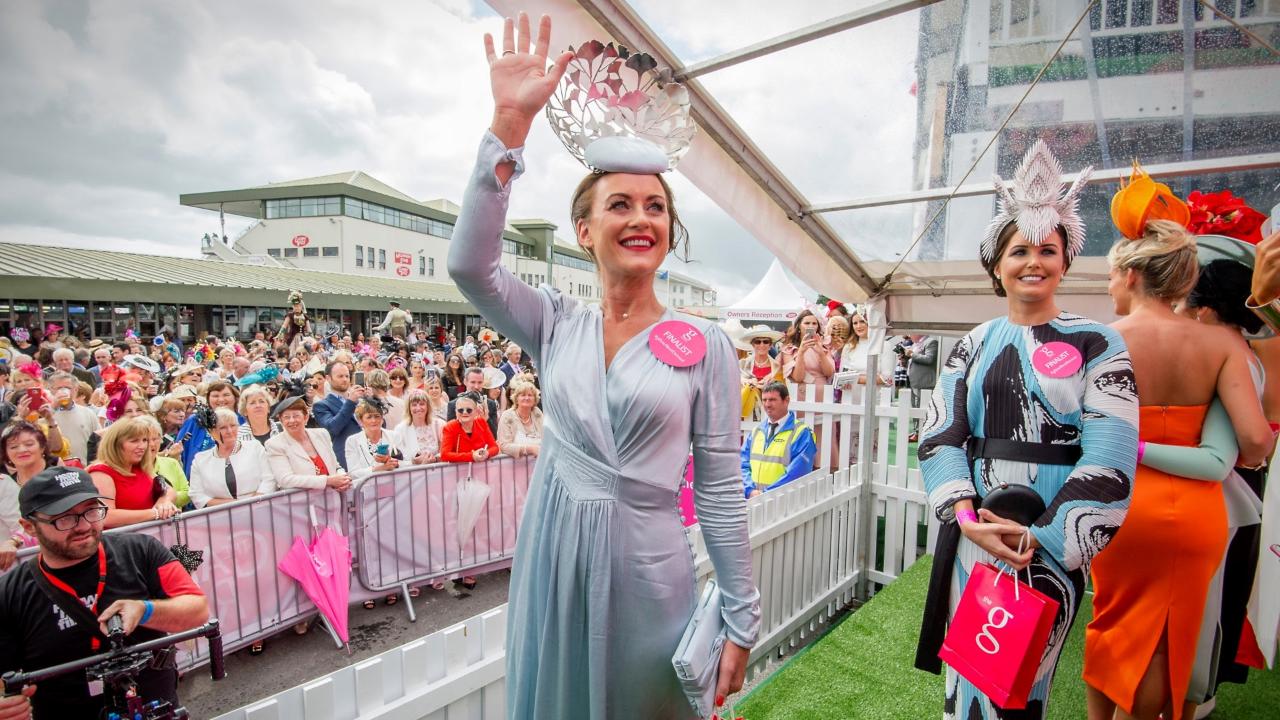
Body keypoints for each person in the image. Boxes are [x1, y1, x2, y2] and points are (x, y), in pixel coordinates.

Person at [448, 15, 758, 717]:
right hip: (551, 563)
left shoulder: (705, 344)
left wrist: (742, 615)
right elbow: (470, 266)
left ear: (668, 234)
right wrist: (508, 127)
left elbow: (718, 491)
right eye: (619, 203)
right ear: (586, 231)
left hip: (649, 576)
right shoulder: (555, 322)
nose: (639, 216)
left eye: (654, 206)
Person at [916, 140, 1139, 720]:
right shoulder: (972, 342)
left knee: (1021, 683)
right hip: (977, 531)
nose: (1033, 261)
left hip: (1048, 540)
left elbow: (1111, 454)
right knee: (968, 672)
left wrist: (1040, 538)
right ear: (996, 264)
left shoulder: (1099, 342)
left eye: (1048, 248)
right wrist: (968, 521)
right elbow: (940, 436)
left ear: (1066, 260)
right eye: (1019, 250)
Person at [1085, 221, 1274, 720]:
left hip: (1115, 505)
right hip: (1196, 513)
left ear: (1129, 274)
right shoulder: (1223, 346)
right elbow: (1254, 441)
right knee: (1167, 641)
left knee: (1111, 622)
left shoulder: (1101, 340)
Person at [0, 467, 208, 719]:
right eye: (64, 518)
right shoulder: (10, 592)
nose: (84, 526)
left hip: (154, 708)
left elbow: (197, 609)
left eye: (91, 511)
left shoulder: (141, 551)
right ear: (29, 526)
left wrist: (145, 610)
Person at [87, 416, 180, 529]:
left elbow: (168, 489)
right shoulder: (101, 473)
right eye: (134, 441)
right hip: (123, 543)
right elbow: (105, 516)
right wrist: (154, 513)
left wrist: (164, 503)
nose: (142, 446)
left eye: (144, 440)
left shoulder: (139, 467)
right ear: (116, 444)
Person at [740, 382, 817, 498]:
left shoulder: (802, 433)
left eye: (772, 400)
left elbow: (796, 473)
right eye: (764, 400)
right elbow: (741, 464)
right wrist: (750, 490)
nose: (767, 404)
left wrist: (765, 495)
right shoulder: (757, 431)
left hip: (784, 503)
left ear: (786, 400)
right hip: (754, 502)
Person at [188, 408, 275, 509]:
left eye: (233, 425)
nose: (229, 431)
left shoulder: (255, 447)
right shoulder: (200, 460)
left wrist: (253, 504)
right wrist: (234, 505)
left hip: (259, 508)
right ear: (211, 432)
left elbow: (269, 479)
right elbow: (197, 495)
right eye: (223, 427)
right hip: (221, 515)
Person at [1, 422, 59, 570]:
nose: (22, 450)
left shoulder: (61, 477)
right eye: (13, 447)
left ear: (42, 446)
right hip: (23, 564)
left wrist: (14, 541)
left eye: (29, 444)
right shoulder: (6, 484)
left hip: (61, 553)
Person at [263, 395, 351, 493]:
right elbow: (285, 480)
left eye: (296, 416)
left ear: (306, 417)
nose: (292, 420)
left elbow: (336, 466)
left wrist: (343, 479)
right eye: (286, 417)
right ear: (281, 421)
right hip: (302, 504)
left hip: (333, 498)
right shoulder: (275, 444)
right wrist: (328, 481)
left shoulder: (322, 434)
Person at [312, 361, 365, 468]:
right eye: (340, 376)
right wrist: (350, 402)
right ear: (328, 378)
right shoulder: (321, 406)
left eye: (347, 376)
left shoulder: (360, 399)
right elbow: (333, 428)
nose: (345, 379)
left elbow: (380, 423)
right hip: (346, 458)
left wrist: (371, 400)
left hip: (369, 453)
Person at [138, 416, 190, 510]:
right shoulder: (129, 467)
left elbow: (187, 493)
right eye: (145, 440)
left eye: (155, 439)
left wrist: (166, 499)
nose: (152, 444)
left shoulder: (172, 463)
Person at [48, 371, 98, 463]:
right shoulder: (45, 414)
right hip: (55, 470)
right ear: (51, 390)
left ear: (75, 390)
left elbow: (98, 441)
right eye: (59, 388)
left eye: (67, 388)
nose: (63, 391)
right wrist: (52, 409)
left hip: (84, 468)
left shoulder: (88, 413)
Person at [343, 398, 402, 476]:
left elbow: (405, 462)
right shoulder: (352, 441)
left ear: (382, 419)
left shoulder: (394, 436)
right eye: (369, 417)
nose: (373, 420)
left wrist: (389, 460)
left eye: (377, 416)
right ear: (360, 421)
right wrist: (379, 469)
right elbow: (353, 473)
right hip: (366, 487)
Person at [738, 325, 782, 421]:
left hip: (768, 415)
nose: (761, 345)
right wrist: (744, 381)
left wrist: (772, 384)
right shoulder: (742, 364)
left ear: (770, 345)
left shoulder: (777, 367)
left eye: (765, 342)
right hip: (744, 414)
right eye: (758, 342)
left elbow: (782, 391)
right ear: (753, 345)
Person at [781, 309, 833, 391]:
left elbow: (829, 373)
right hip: (800, 393)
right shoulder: (789, 349)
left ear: (818, 327)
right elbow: (798, 377)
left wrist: (821, 353)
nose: (811, 326)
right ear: (799, 326)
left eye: (814, 323)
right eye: (807, 323)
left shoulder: (824, 344)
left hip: (822, 392)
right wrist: (801, 352)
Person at [395, 389, 445, 466]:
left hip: (437, 471)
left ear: (428, 406)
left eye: (422, 404)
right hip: (412, 474)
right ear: (409, 408)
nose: (418, 408)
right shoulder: (400, 429)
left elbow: (446, 451)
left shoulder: (439, 424)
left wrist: (435, 459)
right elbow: (397, 460)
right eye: (414, 405)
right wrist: (413, 462)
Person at [904, 333, 938, 442]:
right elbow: (914, 362)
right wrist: (904, 360)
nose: (909, 335)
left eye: (911, 332)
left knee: (924, 410)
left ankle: (923, 433)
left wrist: (912, 354)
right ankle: (917, 432)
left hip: (924, 383)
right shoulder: (916, 344)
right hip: (914, 381)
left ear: (918, 331)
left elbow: (929, 359)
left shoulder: (931, 342)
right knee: (915, 409)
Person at [496, 380, 543, 459]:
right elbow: (504, 445)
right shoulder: (507, 416)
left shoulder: (537, 413)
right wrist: (529, 449)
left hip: (538, 462)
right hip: (515, 466)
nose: (527, 398)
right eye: (523, 395)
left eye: (530, 395)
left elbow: (546, 437)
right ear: (516, 398)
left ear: (535, 399)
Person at [447, 367, 499, 435]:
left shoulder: (491, 404)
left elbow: (494, 436)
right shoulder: (453, 405)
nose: (476, 386)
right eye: (473, 382)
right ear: (465, 381)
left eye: (480, 382)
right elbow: (450, 434)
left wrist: (486, 419)